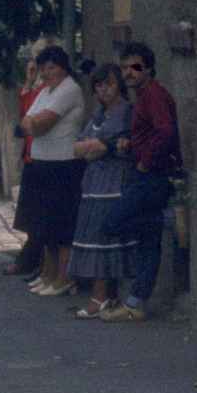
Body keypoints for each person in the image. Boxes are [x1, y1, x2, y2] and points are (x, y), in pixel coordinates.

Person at [100, 42, 183, 323]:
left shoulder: (154, 95)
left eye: (135, 66)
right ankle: (135, 303)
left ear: (148, 67)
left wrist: (146, 160)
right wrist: (131, 143)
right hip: (148, 173)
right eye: (124, 68)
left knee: (111, 224)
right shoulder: (145, 97)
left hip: (151, 176)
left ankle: (165, 219)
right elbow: (152, 133)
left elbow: (166, 132)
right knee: (148, 244)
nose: (128, 73)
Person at [67, 63, 139, 317]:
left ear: (118, 84)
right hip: (94, 184)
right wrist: (95, 146)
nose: (103, 90)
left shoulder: (127, 112)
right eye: (98, 85)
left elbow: (117, 147)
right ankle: (105, 297)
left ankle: (101, 297)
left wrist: (99, 147)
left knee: (105, 238)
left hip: (115, 183)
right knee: (95, 237)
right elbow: (78, 148)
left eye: (108, 84)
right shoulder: (98, 115)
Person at [19, 45, 89, 297]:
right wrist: (32, 123)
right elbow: (25, 121)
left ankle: (64, 278)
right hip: (43, 163)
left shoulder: (69, 89)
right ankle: (48, 275)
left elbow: (41, 123)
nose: (46, 73)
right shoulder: (46, 91)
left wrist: (33, 124)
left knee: (62, 226)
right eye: (43, 68)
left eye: (51, 67)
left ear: (63, 68)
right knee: (46, 226)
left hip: (64, 164)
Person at [4, 58, 46, 278]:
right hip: (31, 156)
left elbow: (31, 115)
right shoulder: (33, 91)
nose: (34, 73)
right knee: (29, 215)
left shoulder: (47, 93)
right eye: (30, 69)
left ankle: (31, 261)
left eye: (36, 69)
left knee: (38, 216)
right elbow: (24, 114)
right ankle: (32, 260)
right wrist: (29, 83)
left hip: (42, 158)